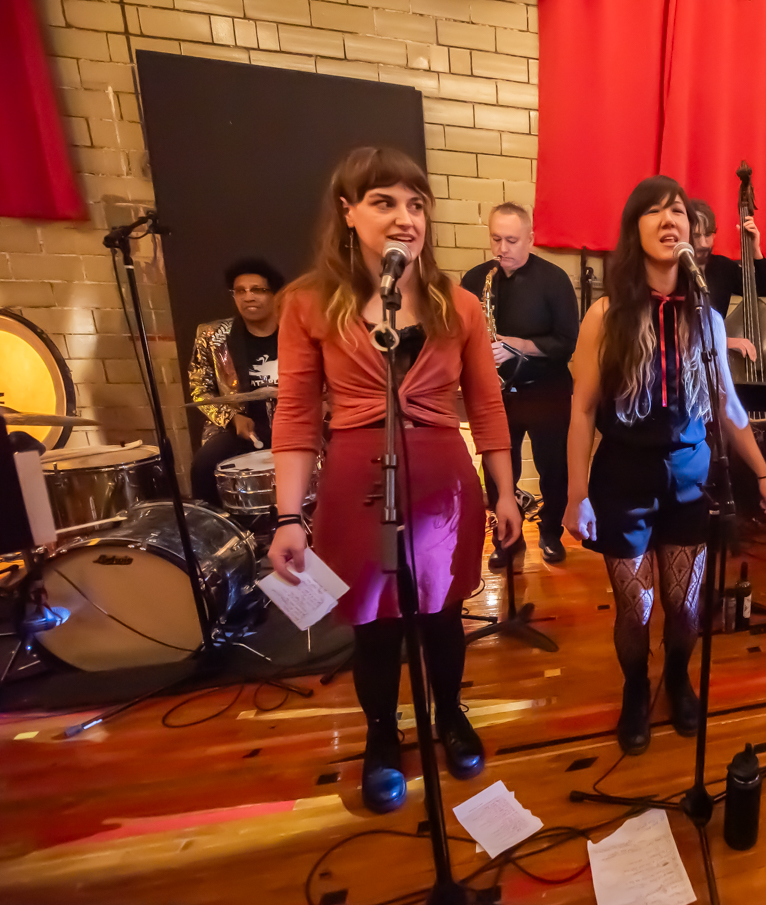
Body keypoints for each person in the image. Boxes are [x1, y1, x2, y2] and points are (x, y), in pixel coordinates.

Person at [268, 148, 522, 815]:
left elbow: (487, 404)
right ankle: (382, 735)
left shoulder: (458, 306)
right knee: (374, 626)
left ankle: (449, 714)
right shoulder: (307, 304)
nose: (405, 218)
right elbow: (296, 415)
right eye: (384, 202)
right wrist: (288, 516)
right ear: (348, 212)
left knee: (442, 615)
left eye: (416, 204)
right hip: (356, 484)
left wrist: (504, 491)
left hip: (444, 486)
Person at [564, 176, 766, 755]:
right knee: (636, 607)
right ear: (633, 230)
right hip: (623, 480)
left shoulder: (707, 318)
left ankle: (679, 679)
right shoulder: (605, 316)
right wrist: (576, 493)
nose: (669, 220)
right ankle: (636, 689)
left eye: (678, 211)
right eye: (654, 211)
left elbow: (727, 405)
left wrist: (762, 472)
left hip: (690, 477)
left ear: (692, 229)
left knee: (685, 607)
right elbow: (582, 411)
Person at [460, 204, 579, 569]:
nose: (502, 249)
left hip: (546, 389)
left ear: (530, 238)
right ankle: (506, 539)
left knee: (553, 469)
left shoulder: (554, 279)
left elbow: (566, 343)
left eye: (512, 240)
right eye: (496, 239)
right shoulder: (476, 279)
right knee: (496, 474)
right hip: (496, 393)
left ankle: (550, 532)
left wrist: (516, 345)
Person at [188, 258, 285, 506]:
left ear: (275, 295)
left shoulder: (296, 329)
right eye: (240, 291)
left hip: (292, 421)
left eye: (258, 290)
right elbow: (200, 389)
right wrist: (232, 418)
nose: (248, 297)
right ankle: (215, 524)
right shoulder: (212, 336)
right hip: (239, 426)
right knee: (203, 465)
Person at [688, 198, 766, 360]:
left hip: (713, 360)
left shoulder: (723, 267)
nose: (703, 243)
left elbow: (764, 287)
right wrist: (724, 341)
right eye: (696, 236)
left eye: (708, 235)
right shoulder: (671, 270)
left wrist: (755, 249)